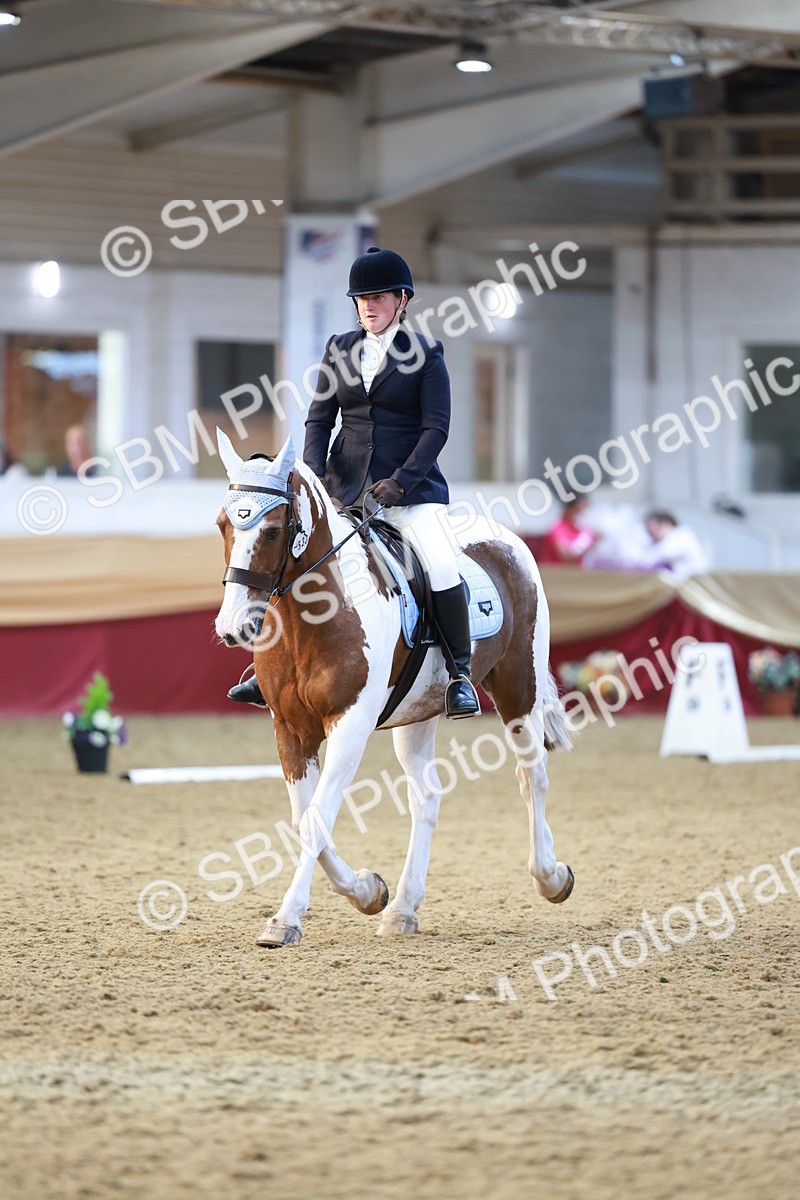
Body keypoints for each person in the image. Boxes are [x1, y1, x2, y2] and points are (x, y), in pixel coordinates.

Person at [229, 245, 480, 719]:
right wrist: (314, 478)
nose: (369, 306)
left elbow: (436, 429)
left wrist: (400, 482)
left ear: (402, 300)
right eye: (362, 299)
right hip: (342, 490)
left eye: (379, 297)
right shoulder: (339, 348)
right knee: (294, 561)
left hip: (410, 495)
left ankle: (459, 675)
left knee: (441, 565)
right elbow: (319, 419)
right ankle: (268, 668)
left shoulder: (426, 353)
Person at [639, 510, 709, 581]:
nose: (652, 536)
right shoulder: (663, 541)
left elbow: (656, 557)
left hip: (693, 581)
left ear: (666, 522)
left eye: (653, 530)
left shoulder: (681, 535)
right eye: (649, 532)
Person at [539, 497, 597, 565]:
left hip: (578, 570)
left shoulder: (582, 530)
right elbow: (565, 555)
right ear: (570, 509)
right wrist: (587, 545)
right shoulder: (558, 528)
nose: (583, 514)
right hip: (559, 570)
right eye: (580, 510)